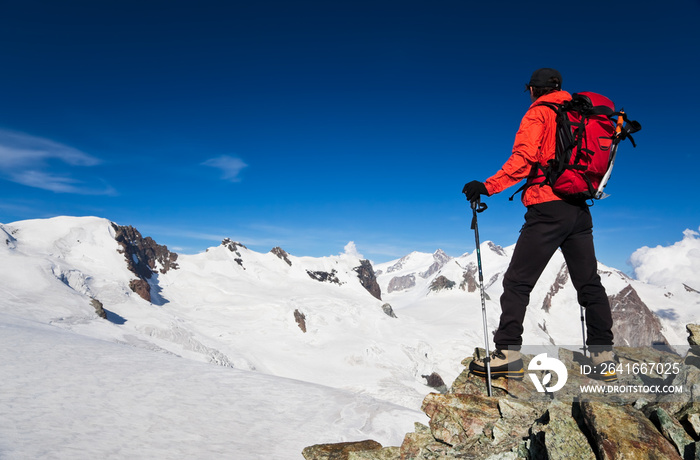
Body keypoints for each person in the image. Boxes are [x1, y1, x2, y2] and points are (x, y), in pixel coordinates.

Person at [462, 68, 616, 382]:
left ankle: (507, 355)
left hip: (548, 207)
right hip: (579, 208)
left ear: (533, 90)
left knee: (517, 282)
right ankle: (604, 360)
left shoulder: (540, 113)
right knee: (589, 284)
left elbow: (523, 160)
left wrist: (487, 186)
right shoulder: (578, 113)